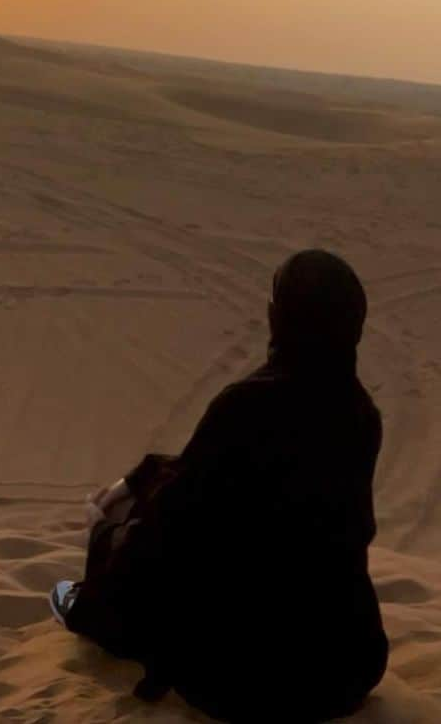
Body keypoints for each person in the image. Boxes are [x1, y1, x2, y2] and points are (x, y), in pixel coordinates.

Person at [51, 248, 389, 723]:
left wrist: (102, 540)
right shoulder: (360, 417)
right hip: (348, 665)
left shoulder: (247, 406)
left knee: (132, 561)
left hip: (250, 676)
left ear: (279, 318)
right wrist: (147, 476)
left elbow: (167, 531)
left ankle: (81, 603)